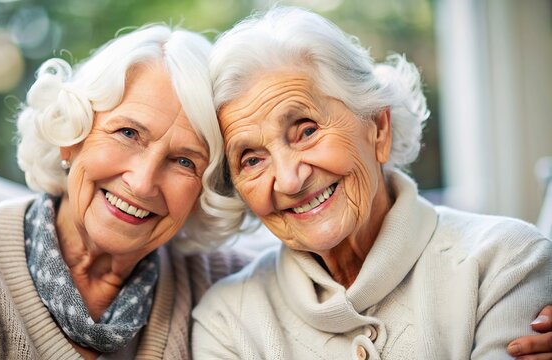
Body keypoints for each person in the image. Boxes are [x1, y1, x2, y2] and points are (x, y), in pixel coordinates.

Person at [192, 7, 552, 359]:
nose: (289, 179)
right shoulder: (227, 321)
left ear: (379, 128)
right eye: (252, 159)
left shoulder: (505, 262)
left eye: (306, 130)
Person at [0, 24, 249, 359]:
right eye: (128, 133)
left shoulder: (226, 289)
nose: (143, 182)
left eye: (184, 162)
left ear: (203, 193)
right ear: (71, 135)